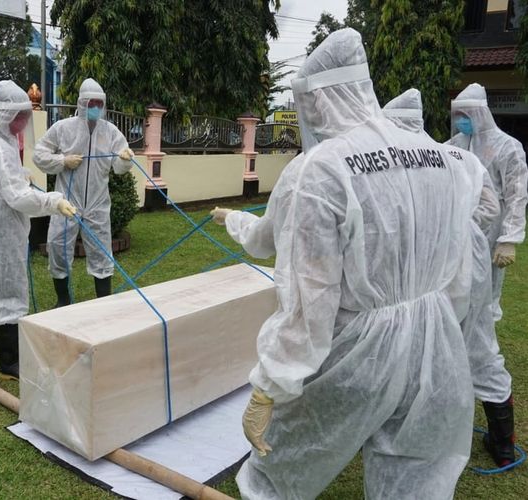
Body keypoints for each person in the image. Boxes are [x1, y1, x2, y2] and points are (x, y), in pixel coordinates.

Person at [213, 29, 478, 499]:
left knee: (278, 471)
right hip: (436, 340)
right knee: (415, 477)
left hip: (360, 351)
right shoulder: (442, 157)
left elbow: (308, 298)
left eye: (307, 101)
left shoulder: (321, 169)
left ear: (321, 98)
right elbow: (459, 261)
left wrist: (270, 384)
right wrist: (445, 322)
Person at [384, 89, 515, 466]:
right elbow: (489, 207)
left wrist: (451, 229)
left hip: (439, 266)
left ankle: (456, 437)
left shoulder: (415, 161)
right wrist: (464, 228)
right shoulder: (453, 153)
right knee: (471, 341)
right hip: (465, 263)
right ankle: (501, 442)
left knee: (444, 345)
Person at [0, 80, 76, 381]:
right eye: (22, 117)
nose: (24, 123)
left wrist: (23, 175)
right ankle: (9, 360)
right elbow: (17, 197)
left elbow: (8, 180)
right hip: (3, 220)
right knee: (7, 284)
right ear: (7, 114)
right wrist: (53, 201)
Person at [445, 83, 527, 466]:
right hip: (455, 245)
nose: (460, 120)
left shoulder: (508, 147)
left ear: (480, 113)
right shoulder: (456, 145)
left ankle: (502, 442)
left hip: (488, 245)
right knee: (458, 316)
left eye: (466, 114)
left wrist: (509, 238)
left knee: (481, 313)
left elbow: (516, 194)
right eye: (456, 113)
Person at [33, 78, 135, 307]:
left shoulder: (110, 132)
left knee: (102, 252)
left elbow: (119, 167)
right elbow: (39, 154)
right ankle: (63, 299)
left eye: (99, 104)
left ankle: (103, 302)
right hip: (67, 202)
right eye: (91, 103)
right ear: (81, 104)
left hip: (98, 203)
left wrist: (125, 159)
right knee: (58, 247)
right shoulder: (63, 128)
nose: (95, 108)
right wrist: (62, 160)